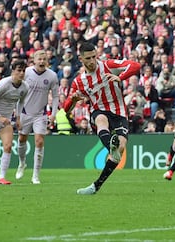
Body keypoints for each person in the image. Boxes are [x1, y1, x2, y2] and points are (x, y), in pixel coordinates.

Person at [64, 42, 141, 195]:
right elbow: (66, 109)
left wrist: (120, 77)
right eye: (88, 58)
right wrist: (73, 99)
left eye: (94, 57)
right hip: (99, 111)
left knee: (119, 150)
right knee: (101, 119)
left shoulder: (108, 66)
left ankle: (96, 186)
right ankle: (110, 145)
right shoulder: (79, 81)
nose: (92, 61)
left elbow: (135, 65)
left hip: (119, 112)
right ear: (81, 59)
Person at [15, 50, 59, 184]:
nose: (41, 61)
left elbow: (56, 95)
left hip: (40, 114)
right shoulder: (26, 73)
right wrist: (16, 114)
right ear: (33, 60)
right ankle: (22, 163)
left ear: (47, 61)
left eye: (44, 59)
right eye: (39, 59)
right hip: (24, 112)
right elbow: (17, 91)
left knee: (39, 141)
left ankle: (35, 175)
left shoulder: (52, 76)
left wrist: (53, 113)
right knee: (22, 139)